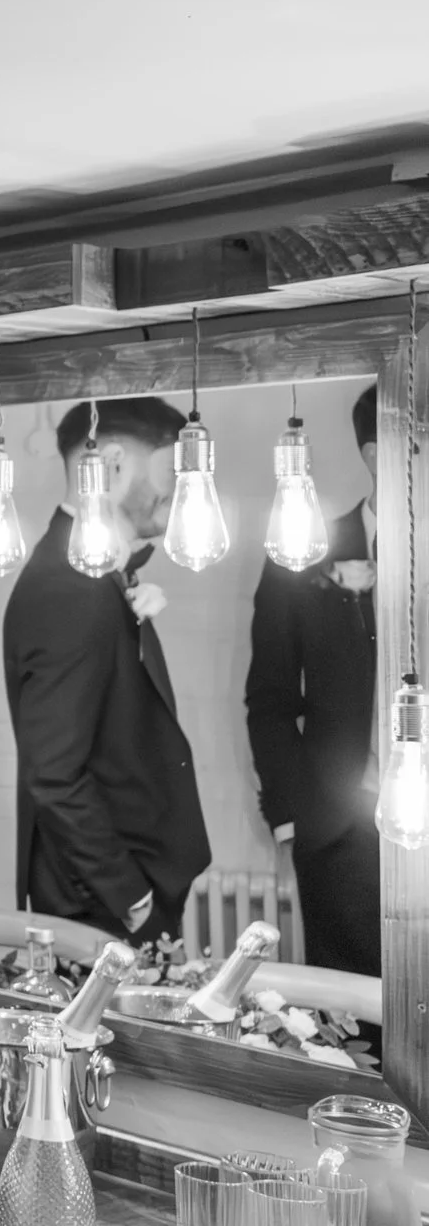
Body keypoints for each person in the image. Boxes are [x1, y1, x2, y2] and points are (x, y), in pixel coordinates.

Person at [2, 396, 209, 945]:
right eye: (171, 468)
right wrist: (133, 899)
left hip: (119, 890)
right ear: (113, 465)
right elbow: (54, 773)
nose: (180, 489)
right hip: (103, 904)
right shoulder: (67, 588)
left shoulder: (86, 570)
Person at [248, 385, 381, 974]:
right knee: (355, 1034)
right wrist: (289, 815)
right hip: (342, 834)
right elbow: (270, 697)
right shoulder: (301, 550)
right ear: (381, 452)